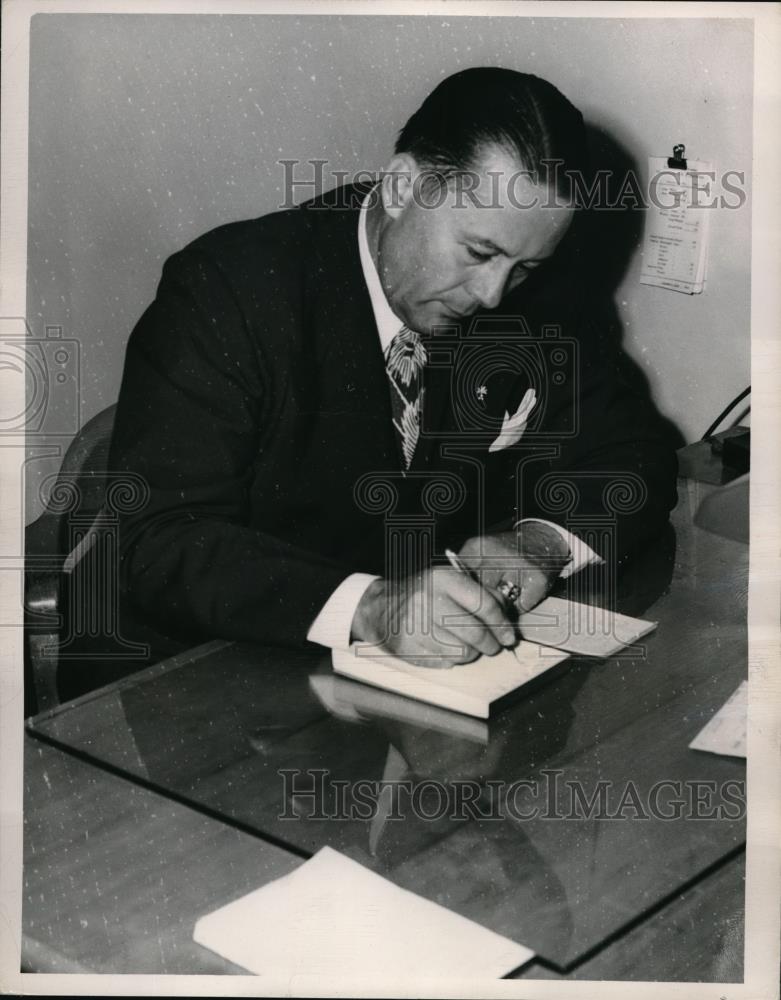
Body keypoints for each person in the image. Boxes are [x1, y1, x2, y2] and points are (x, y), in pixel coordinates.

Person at [64, 67, 678, 697]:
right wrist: (371, 608)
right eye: (478, 253)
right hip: (189, 677)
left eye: (523, 267)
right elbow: (160, 542)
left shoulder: (531, 296)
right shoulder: (231, 289)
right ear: (402, 186)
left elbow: (635, 452)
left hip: (388, 687)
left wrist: (538, 543)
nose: (493, 295)